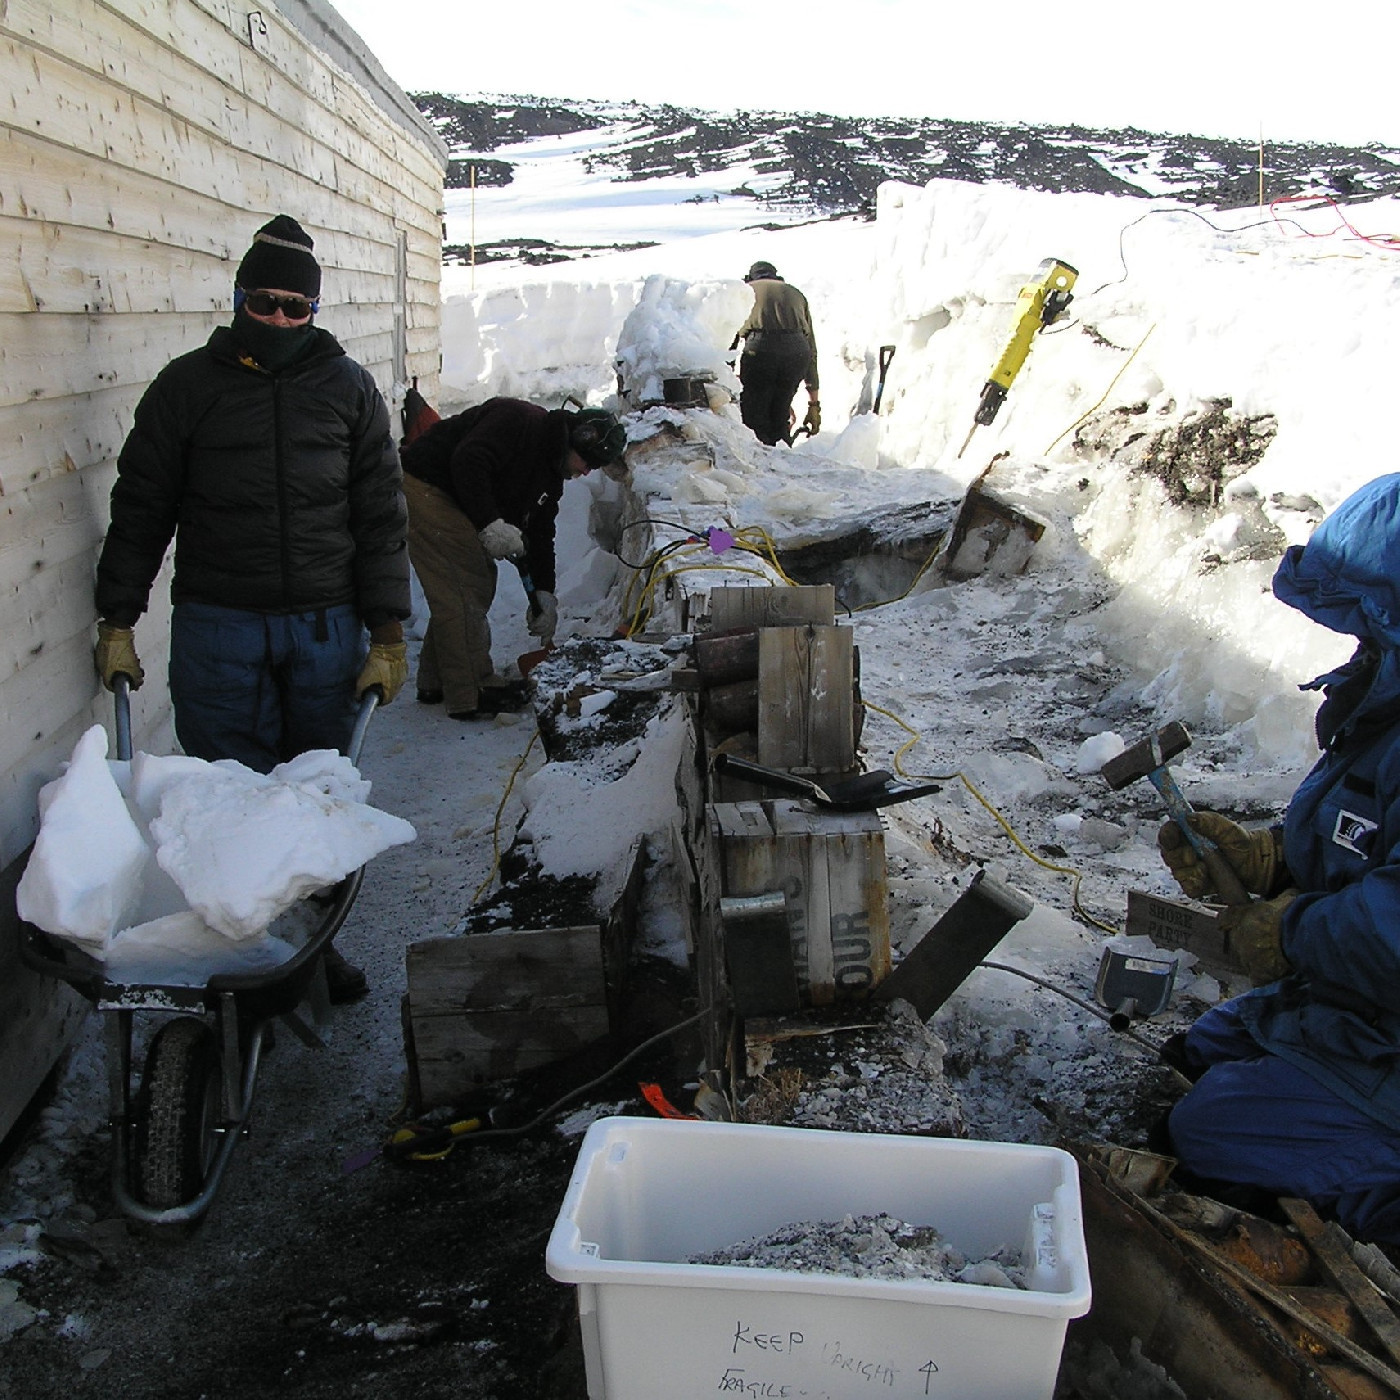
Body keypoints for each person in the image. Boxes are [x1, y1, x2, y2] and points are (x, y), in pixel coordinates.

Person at [92, 214, 411, 1002]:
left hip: (323, 627)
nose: (277, 320)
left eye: (294, 308)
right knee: (226, 792)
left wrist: (389, 633)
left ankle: (310, 948)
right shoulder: (186, 389)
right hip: (217, 626)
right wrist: (118, 619)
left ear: (314, 310)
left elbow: (380, 520)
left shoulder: (348, 391)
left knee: (317, 797)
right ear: (238, 297)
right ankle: (240, 950)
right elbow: (141, 508)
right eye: (262, 302)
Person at [1155, 472, 1400, 1245]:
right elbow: (1364, 835)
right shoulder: (1385, 702)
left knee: (1207, 1134)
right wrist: (1272, 862)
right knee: (1200, 1053)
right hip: (1365, 1009)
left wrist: (1291, 933)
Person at [399, 398, 626, 720]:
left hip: (453, 496)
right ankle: (471, 691)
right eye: (586, 461)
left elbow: (541, 530)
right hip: (426, 486)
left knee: (461, 587)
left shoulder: (550, 472)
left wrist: (544, 594)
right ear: (573, 439)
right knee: (466, 585)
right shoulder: (518, 421)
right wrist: (490, 522)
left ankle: (438, 681)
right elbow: (469, 460)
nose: (585, 471)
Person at [729, 261, 819, 447]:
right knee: (780, 410)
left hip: (760, 349)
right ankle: (782, 453)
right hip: (797, 353)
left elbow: (729, 341)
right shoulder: (795, 293)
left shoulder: (744, 292)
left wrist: (726, 377)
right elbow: (811, 350)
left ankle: (762, 461)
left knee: (754, 413)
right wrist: (814, 405)